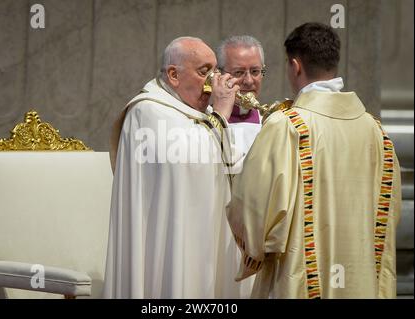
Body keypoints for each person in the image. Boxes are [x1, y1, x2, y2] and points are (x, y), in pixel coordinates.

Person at [227, 23, 401, 298]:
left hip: (299, 282)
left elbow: (252, 210)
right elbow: (391, 216)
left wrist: (252, 251)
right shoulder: (378, 134)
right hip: (362, 284)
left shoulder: (287, 127)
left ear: (295, 66)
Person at [103, 36, 249, 298]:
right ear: (173, 75)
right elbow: (188, 162)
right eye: (204, 72)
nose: (213, 82)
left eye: (215, 71)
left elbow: (225, 162)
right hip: (164, 242)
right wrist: (221, 115)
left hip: (197, 236)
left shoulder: (190, 112)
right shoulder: (147, 111)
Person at [216, 36, 265, 168]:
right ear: (219, 75)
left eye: (255, 71)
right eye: (238, 72)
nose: (248, 81)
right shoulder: (205, 124)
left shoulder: (269, 124)